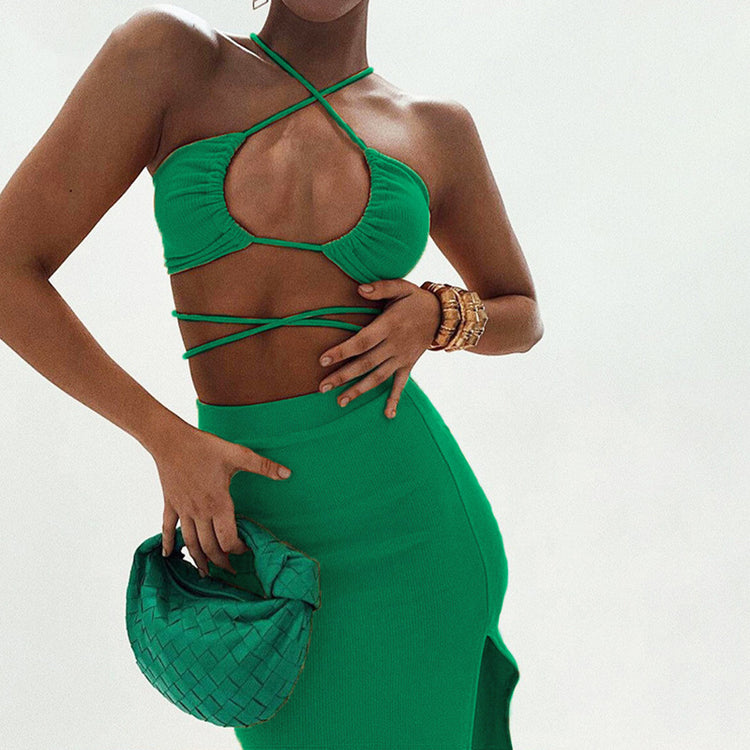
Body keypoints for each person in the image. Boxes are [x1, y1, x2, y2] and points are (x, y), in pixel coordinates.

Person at [0, 1, 542, 748]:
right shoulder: (167, 58)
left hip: (415, 534)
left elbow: (522, 314)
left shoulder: (435, 129)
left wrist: (436, 313)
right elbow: (8, 269)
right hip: (262, 539)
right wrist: (167, 439)